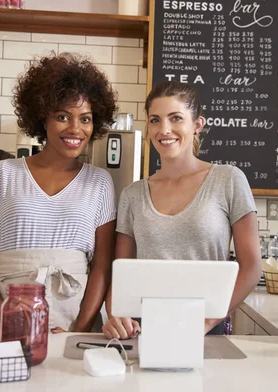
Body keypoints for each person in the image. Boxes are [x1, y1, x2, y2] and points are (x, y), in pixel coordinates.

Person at [0, 52, 117, 333]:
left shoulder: (100, 182)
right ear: (41, 118)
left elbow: (101, 266)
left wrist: (78, 330)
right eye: (63, 116)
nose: (75, 128)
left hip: (73, 319)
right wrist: (2, 316)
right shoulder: (2, 174)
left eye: (85, 119)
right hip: (7, 317)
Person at [102, 81, 261, 339]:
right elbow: (121, 272)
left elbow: (252, 266)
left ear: (197, 124)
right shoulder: (133, 194)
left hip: (206, 327)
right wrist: (116, 316)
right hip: (144, 329)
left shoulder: (228, 179)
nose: (164, 129)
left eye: (176, 118)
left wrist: (206, 321)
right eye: (155, 120)